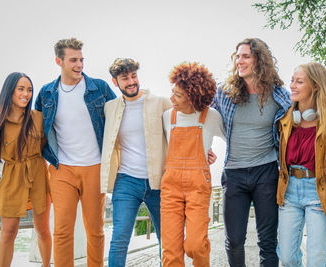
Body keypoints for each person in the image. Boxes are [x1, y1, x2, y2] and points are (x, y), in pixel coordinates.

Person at [34, 38, 116, 267]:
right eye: (73, 60)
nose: (79, 64)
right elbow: (32, 127)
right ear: (58, 61)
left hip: (95, 167)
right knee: (61, 231)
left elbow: (121, 119)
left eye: (81, 59)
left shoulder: (99, 88)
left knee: (95, 231)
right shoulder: (46, 93)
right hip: (62, 169)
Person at [211, 38, 291, 267]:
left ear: (259, 59)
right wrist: (204, 147)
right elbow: (204, 120)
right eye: (237, 56)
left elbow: (300, 122)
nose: (240, 61)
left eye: (245, 56)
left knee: (267, 241)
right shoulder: (225, 92)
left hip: (266, 172)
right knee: (234, 240)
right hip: (234, 174)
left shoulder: (279, 95)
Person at [276, 62, 326, 267]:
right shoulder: (284, 119)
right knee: (287, 257)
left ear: (316, 86)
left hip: (318, 193)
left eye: (299, 81)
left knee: (317, 260)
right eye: (292, 80)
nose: (292, 85)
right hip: (289, 191)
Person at [100, 58, 171, 267]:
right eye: (125, 78)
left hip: (158, 181)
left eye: (133, 76)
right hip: (126, 181)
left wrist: (205, 150)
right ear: (115, 82)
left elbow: (180, 131)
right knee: (119, 239)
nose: (131, 82)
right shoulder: (109, 108)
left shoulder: (161, 103)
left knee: (166, 239)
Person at [0, 72, 51, 267]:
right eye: (21, 89)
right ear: (10, 91)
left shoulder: (38, 118)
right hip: (11, 178)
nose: (26, 94)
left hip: (38, 176)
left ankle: (45, 265)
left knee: (42, 229)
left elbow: (50, 145)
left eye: (29, 90)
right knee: (8, 232)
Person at [161, 62, 225, 267]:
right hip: (170, 188)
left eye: (178, 96)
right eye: (173, 92)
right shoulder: (166, 117)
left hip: (198, 187)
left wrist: (207, 153)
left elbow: (232, 140)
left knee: (195, 245)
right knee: (171, 252)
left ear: (193, 98)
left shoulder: (211, 117)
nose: (172, 98)